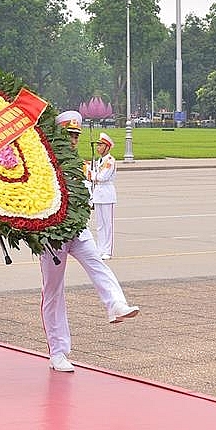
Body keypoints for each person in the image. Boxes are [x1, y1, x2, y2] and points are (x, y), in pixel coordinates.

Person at [40, 111, 139, 373]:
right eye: (69, 135)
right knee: (53, 292)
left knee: (98, 264)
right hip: (52, 236)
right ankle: (58, 351)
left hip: (78, 229)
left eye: (75, 136)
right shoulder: (44, 161)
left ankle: (115, 304)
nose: (73, 140)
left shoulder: (79, 163)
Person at [88, 132, 117, 260]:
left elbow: (102, 177)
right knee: (99, 224)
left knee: (107, 224)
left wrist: (91, 175)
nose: (98, 147)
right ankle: (100, 249)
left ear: (107, 147)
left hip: (107, 194)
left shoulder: (110, 161)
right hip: (98, 194)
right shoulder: (97, 161)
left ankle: (108, 250)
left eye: (100, 145)